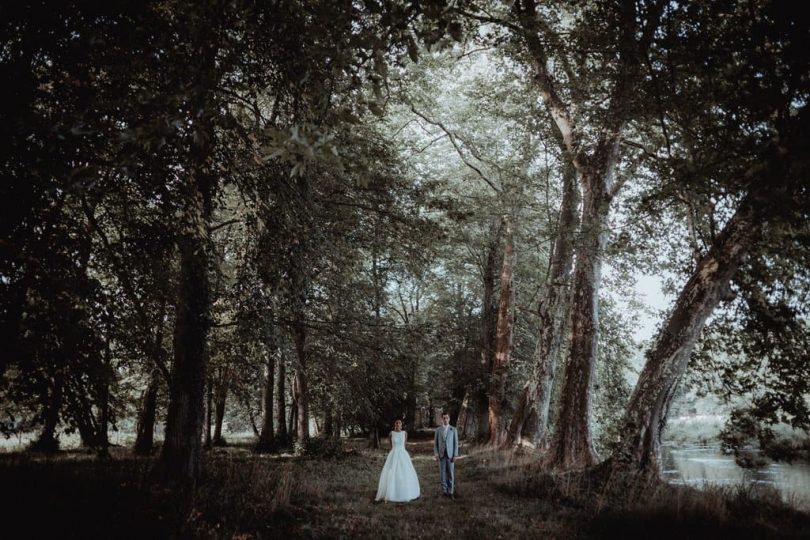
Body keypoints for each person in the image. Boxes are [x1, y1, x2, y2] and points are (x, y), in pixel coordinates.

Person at [375, 419, 421, 502]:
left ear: (401, 425)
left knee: (404, 471)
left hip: (402, 453)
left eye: (399, 423)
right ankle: (392, 491)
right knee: (392, 471)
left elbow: (404, 445)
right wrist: (394, 451)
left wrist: (401, 451)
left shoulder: (405, 433)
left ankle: (404, 491)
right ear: (394, 425)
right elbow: (391, 445)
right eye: (396, 423)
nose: (398, 425)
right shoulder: (391, 433)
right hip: (394, 453)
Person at [433, 412, 459, 499]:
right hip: (441, 455)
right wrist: (436, 454)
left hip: (450, 455)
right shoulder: (438, 430)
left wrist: (455, 455)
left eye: (447, 418)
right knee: (442, 473)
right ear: (442, 419)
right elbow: (435, 443)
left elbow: (456, 443)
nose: (445, 419)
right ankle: (444, 491)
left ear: (449, 419)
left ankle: (451, 491)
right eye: (444, 418)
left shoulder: (453, 429)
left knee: (450, 473)